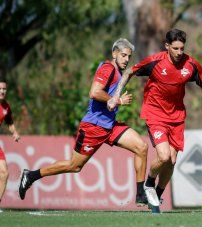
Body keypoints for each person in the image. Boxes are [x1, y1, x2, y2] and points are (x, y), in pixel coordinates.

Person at [18, 38, 150, 207]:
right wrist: (117, 100)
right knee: (74, 166)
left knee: (142, 147)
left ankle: (140, 195)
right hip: (93, 127)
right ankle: (31, 176)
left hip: (110, 125)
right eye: (123, 55)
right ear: (114, 54)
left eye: (128, 57)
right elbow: (94, 92)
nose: (126, 59)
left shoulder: (119, 72)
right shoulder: (107, 68)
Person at [108, 29, 202, 212]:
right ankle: (148, 184)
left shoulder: (191, 65)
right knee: (163, 155)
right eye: (175, 48)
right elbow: (128, 73)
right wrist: (115, 97)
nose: (179, 52)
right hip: (155, 113)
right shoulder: (155, 61)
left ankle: (157, 193)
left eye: (182, 48)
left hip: (177, 117)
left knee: (171, 160)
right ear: (167, 46)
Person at [0, 79, 20, 211]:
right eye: (0, 89)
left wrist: (15, 132)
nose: (2, 91)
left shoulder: (6, 107)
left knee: (4, 173)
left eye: (4, 89)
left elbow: (9, 122)